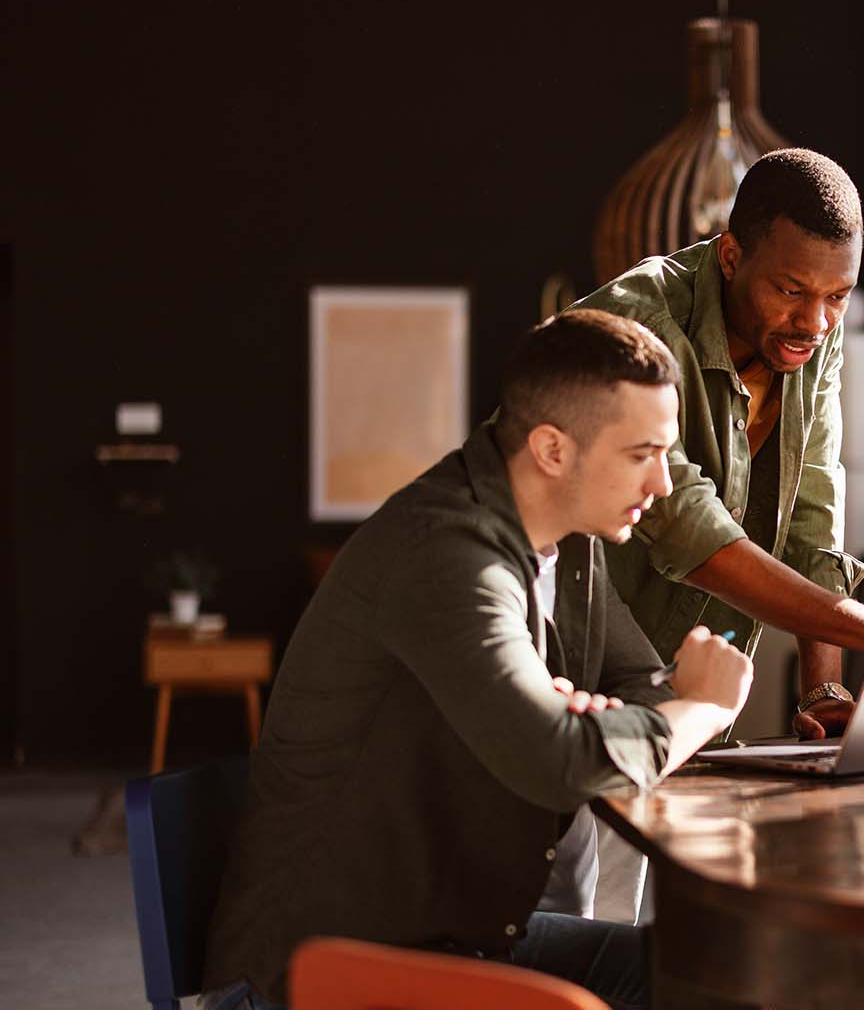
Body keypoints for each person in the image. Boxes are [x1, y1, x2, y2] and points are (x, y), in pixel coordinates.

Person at [201, 311, 754, 1010]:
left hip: (457, 933)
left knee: (728, 978)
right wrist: (703, 706)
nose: (663, 486)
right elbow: (562, 763)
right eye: (642, 454)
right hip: (323, 970)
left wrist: (596, 727)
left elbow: (636, 682)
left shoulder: (572, 539)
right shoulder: (443, 553)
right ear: (553, 449)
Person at [572, 148, 864, 740]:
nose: (815, 322)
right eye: (791, 290)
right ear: (731, 256)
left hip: (688, 710)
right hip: (567, 677)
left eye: (837, 296)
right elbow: (691, 529)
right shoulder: (633, 326)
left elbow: (813, 516)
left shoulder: (811, 336)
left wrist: (825, 691)